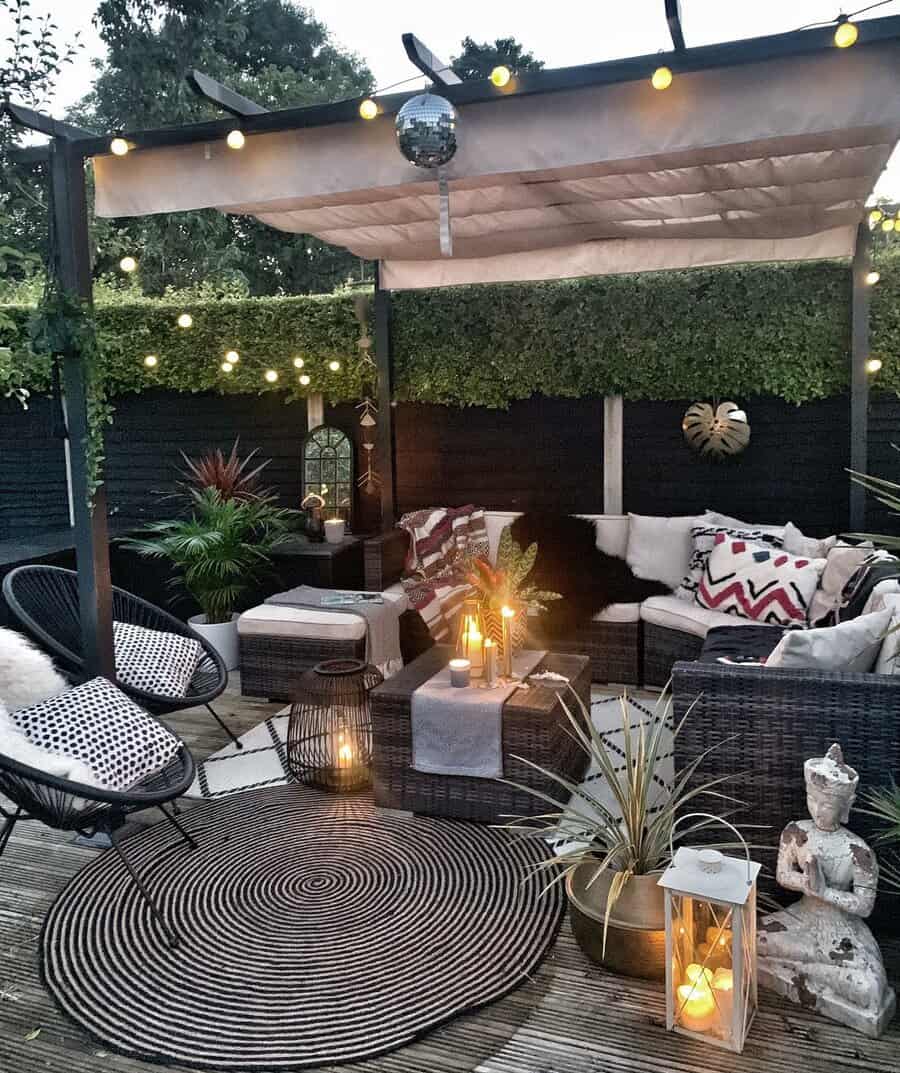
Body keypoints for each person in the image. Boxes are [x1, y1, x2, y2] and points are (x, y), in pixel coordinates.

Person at [758, 743, 896, 1037]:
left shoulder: (858, 851)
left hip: (842, 930)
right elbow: (783, 874)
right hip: (800, 917)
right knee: (747, 938)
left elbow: (864, 905)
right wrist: (807, 885)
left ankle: (812, 973)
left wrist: (823, 892)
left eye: (828, 804)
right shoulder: (795, 831)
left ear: (845, 806)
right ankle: (816, 973)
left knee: (869, 988)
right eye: (812, 799)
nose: (818, 809)